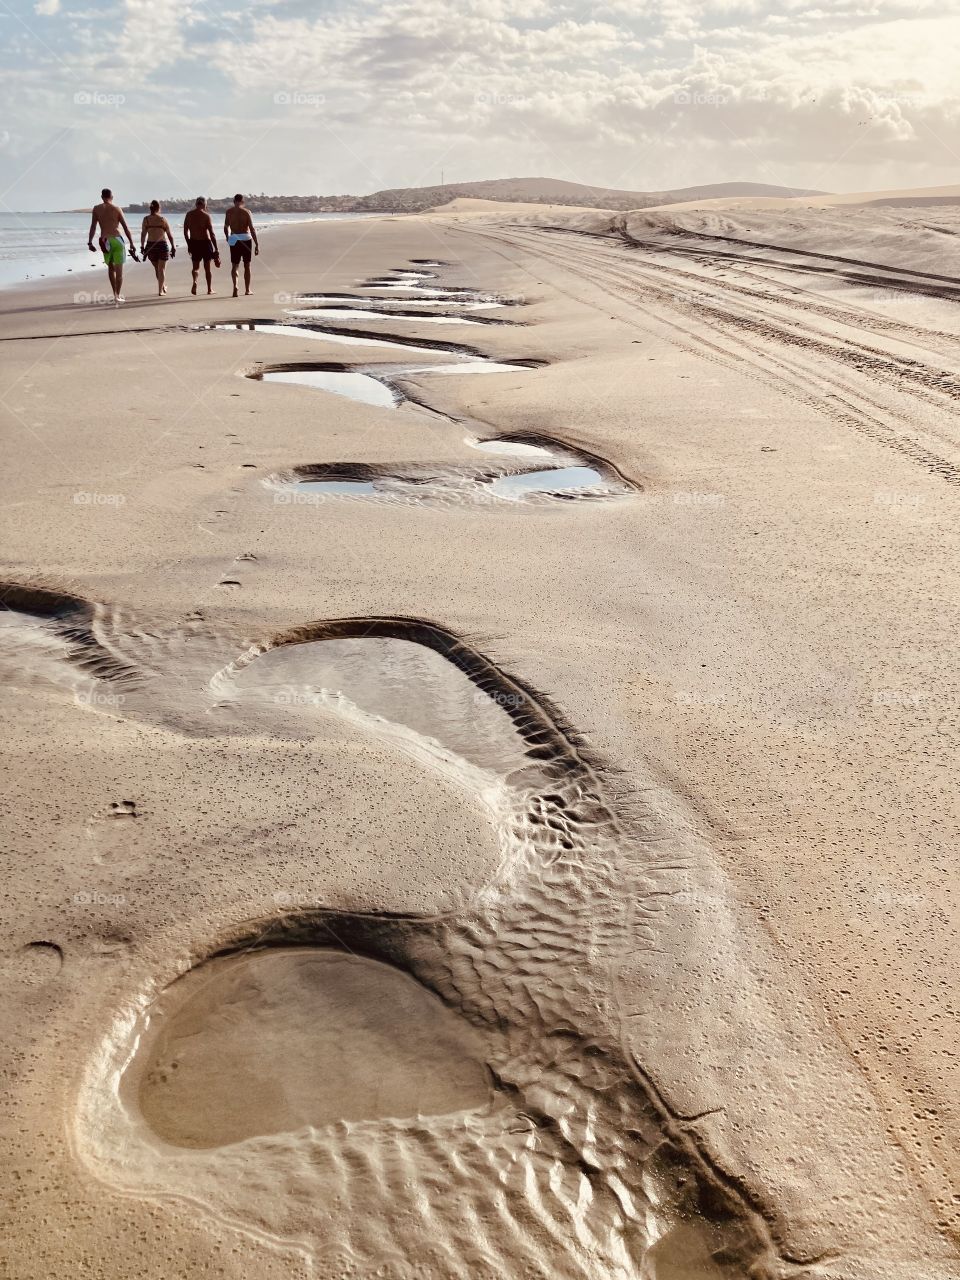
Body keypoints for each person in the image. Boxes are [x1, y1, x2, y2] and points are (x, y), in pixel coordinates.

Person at [87, 188, 138, 303]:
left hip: (105, 240)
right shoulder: (117, 209)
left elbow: (93, 227)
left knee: (111, 268)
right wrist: (132, 243)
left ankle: (114, 293)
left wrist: (90, 242)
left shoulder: (96, 209)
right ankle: (117, 296)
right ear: (112, 197)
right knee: (119, 270)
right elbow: (125, 227)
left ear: (101, 197)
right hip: (117, 239)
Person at [223, 193, 259, 297]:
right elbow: (252, 229)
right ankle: (247, 290)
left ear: (234, 201)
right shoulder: (247, 212)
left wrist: (227, 237)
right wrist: (257, 244)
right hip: (246, 239)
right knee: (247, 265)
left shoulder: (229, 212)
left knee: (235, 265)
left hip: (234, 239)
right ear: (243, 202)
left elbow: (225, 227)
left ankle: (235, 286)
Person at [183, 196, 220, 295]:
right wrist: (216, 248)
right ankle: (209, 289)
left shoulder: (189, 214)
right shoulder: (206, 216)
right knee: (207, 268)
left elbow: (185, 232)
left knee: (195, 267)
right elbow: (212, 234)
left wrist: (189, 244)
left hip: (194, 243)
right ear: (204, 205)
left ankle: (195, 281)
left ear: (196, 204)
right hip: (205, 243)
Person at [140, 200, 176, 296]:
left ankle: (163, 287)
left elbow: (143, 234)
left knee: (157, 269)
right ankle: (160, 290)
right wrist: (173, 246)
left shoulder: (146, 219)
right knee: (161, 269)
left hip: (150, 247)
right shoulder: (162, 219)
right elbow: (169, 235)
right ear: (158, 208)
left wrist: (142, 246)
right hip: (162, 246)